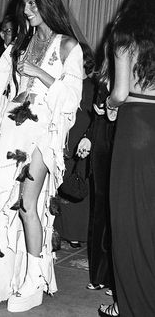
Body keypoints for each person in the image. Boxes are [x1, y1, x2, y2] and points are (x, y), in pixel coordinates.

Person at [0, 0, 83, 313]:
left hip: (43, 135)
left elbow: (71, 99)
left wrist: (39, 73)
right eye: (26, 5)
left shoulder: (67, 46)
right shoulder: (20, 42)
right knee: (3, 204)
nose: (27, 10)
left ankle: (33, 281)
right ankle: (4, 279)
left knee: (27, 203)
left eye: (33, 4)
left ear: (47, 4)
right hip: (12, 131)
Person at [97, 0, 155, 316]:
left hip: (136, 128)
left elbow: (119, 91)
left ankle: (132, 306)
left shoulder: (126, 32)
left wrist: (112, 106)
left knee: (130, 219)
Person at [53, 42, 95, 249]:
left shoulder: (94, 87)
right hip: (62, 139)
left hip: (82, 144)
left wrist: (87, 139)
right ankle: (59, 231)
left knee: (76, 186)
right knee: (59, 187)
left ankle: (77, 233)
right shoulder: (66, 83)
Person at [77, 82, 115, 295]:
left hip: (123, 144)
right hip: (101, 146)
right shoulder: (102, 82)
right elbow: (97, 117)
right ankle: (99, 275)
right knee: (99, 212)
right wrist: (88, 137)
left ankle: (115, 278)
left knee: (118, 215)